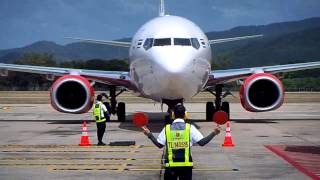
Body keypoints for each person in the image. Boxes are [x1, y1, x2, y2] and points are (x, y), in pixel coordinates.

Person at [142, 104, 221, 180]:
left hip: (170, 167)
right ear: (185, 115)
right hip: (186, 167)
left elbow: (159, 145)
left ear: (173, 115)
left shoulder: (167, 129)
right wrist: (214, 133)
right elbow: (202, 142)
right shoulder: (190, 128)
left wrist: (149, 134)